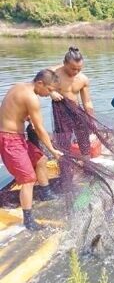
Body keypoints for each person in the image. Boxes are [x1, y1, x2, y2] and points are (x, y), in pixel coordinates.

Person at [0, 69, 63, 230]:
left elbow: (14, 109)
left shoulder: (19, 86)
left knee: (40, 159)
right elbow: (41, 130)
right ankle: (28, 220)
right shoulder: (32, 98)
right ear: (40, 83)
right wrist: (53, 150)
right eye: (49, 90)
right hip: (9, 139)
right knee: (27, 179)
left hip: (17, 137)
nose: (48, 94)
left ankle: (45, 192)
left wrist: (27, 118)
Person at [49, 46, 93, 158]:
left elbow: (87, 102)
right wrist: (51, 92)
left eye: (79, 68)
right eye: (73, 68)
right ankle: (65, 162)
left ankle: (86, 160)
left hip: (75, 108)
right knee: (64, 137)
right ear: (64, 63)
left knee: (83, 134)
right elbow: (38, 83)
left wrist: (91, 119)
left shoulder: (83, 79)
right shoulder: (54, 73)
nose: (76, 71)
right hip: (60, 110)